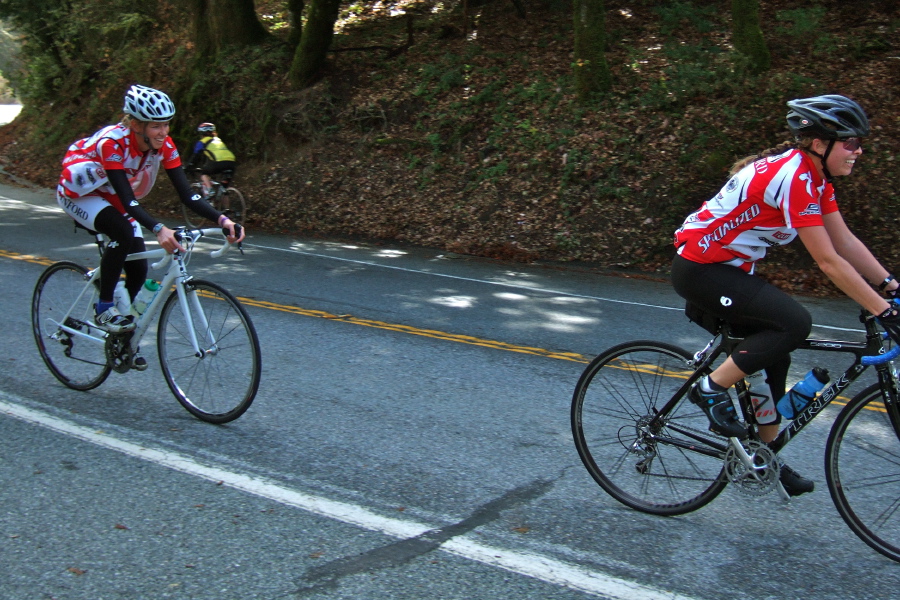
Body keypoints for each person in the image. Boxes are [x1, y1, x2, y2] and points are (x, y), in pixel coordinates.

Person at [671, 94, 900, 497]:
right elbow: (828, 261)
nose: (858, 150)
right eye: (851, 142)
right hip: (701, 270)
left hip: (728, 271)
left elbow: (844, 240)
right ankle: (709, 388)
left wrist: (891, 287)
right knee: (794, 323)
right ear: (819, 143)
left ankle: (764, 453)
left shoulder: (814, 178)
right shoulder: (794, 178)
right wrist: (883, 311)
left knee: (775, 352)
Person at [57, 85, 245, 363]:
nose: (163, 132)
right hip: (81, 194)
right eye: (156, 125)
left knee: (138, 267)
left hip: (114, 198)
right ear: (135, 124)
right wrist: (158, 228)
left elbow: (188, 195)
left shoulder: (164, 146)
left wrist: (223, 219)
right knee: (120, 231)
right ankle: (105, 307)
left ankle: (121, 334)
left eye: (166, 124)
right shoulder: (113, 144)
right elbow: (128, 199)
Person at [187, 122, 237, 201]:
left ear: (201, 133)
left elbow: (195, 156)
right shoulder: (218, 140)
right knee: (224, 189)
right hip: (231, 163)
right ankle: (227, 210)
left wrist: (189, 165)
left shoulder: (202, 142)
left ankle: (210, 191)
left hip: (219, 162)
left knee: (204, 174)